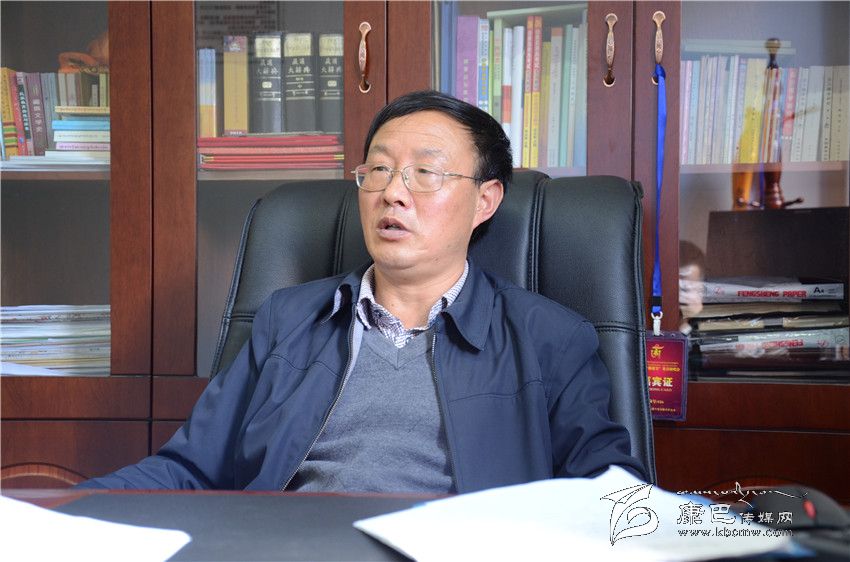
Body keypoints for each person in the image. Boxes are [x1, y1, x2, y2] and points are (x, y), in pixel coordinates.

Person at [78, 90, 646, 492]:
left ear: (485, 201)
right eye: (378, 170)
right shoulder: (288, 320)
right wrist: (67, 511)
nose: (393, 193)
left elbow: (609, 493)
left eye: (426, 173)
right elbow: (190, 470)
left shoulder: (549, 338)